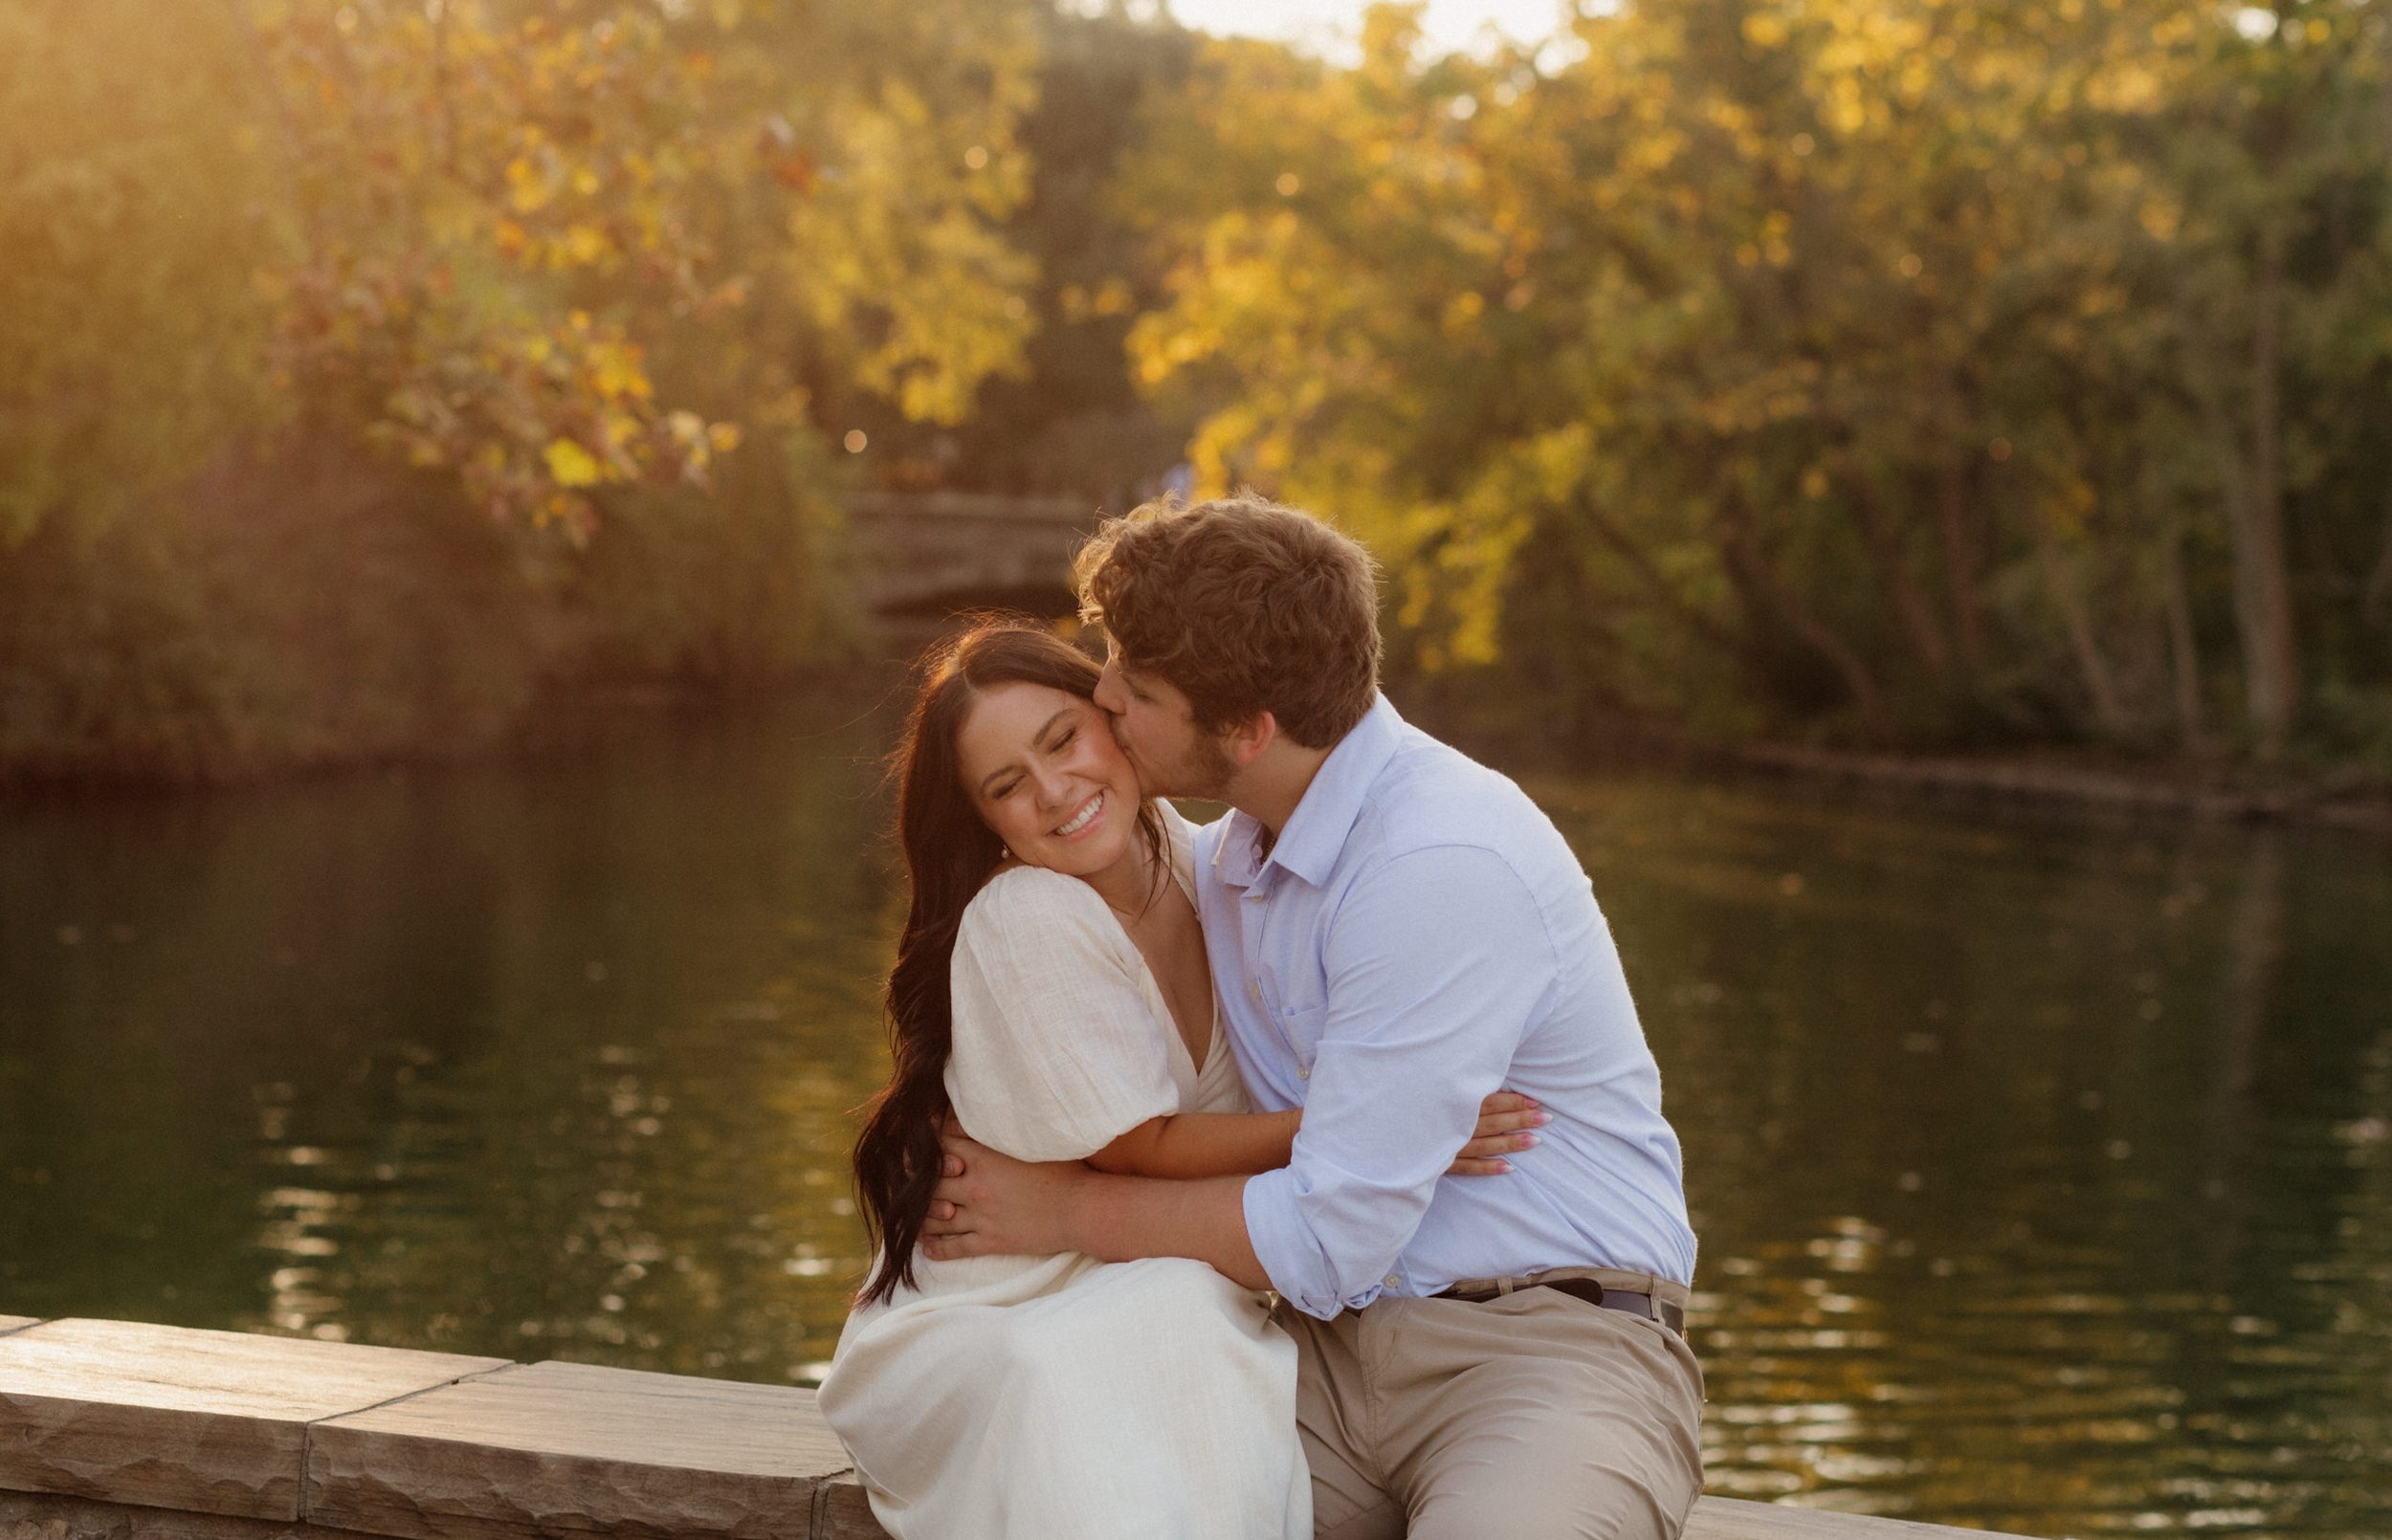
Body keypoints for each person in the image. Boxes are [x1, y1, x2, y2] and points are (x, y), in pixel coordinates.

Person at [921, 497, 1707, 1540]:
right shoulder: (1234, 855)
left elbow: (1331, 1230)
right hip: (1306, 1350)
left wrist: (1060, 1210)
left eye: (1135, 688)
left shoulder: (1438, 862)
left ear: (1248, 729)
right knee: (1074, 1481)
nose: (1103, 695)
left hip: (1542, 1346)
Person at [816, 619, 1541, 1540]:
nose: (1054, 791)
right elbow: (1140, 1147)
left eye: (1062, 740)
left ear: (1114, 715)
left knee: (1187, 1322)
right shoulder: (1026, 913)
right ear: (982, 819)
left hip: (1149, 1264)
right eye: (1007, 786)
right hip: (998, 1301)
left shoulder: (1215, 868)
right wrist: (1381, 1120)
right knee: (1156, 1334)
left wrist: (1409, 1098)